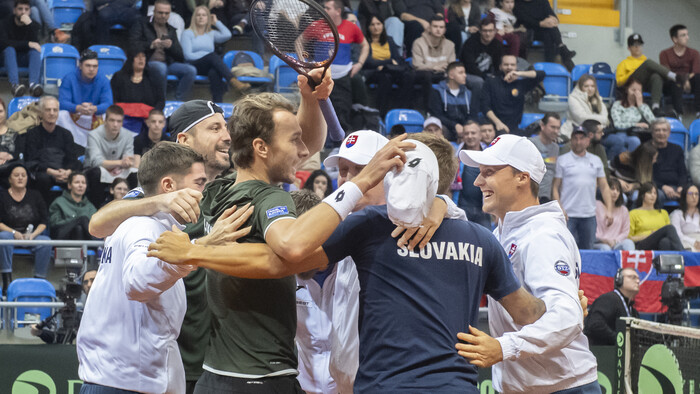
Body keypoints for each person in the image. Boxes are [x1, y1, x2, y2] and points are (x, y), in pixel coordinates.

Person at [147, 132, 546, 393]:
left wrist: (196, 251)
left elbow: (280, 261)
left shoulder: (369, 226)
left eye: (358, 171)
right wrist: (558, 309)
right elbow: (529, 312)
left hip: (380, 385)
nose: (346, 179)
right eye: (344, 171)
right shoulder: (478, 239)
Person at [88, 71, 333, 391]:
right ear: (184, 141)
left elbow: (302, 146)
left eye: (227, 128)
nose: (227, 136)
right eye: (214, 128)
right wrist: (161, 200)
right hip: (176, 355)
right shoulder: (161, 193)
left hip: (224, 358)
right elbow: (98, 224)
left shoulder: (235, 186)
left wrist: (310, 100)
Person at [456, 134, 600, 393]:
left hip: (560, 386)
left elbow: (567, 315)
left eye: (489, 172)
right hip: (529, 384)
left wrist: (503, 347)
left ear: (522, 177)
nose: (478, 181)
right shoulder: (504, 232)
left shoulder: (543, 235)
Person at [77, 142, 213, 394]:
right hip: (125, 381)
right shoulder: (144, 226)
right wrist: (194, 252)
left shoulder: (134, 221)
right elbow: (138, 283)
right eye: (199, 183)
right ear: (169, 186)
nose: (203, 192)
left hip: (119, 376)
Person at [552, 126, 614, 250]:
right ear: (571, 140)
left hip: (589, 215)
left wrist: (609, 209)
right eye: (575, 138)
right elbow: (555, 188)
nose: (578, 141)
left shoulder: (596, 160)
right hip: (568, 214)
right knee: (565, 250)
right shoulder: (562, 160)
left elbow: (604, 186)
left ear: (588, 141)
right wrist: (560, 208)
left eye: (582, 138)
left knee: (588, 251)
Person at [316, 0, 369, 133]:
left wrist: (359, 64)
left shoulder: (351, 27)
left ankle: (340, 145)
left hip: (343, 76)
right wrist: (306, 62)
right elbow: (300, 41)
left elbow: (365, 45)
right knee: (320, 113)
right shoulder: (317, 26)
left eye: (328, 8)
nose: (324, 10)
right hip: (321, 76)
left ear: (338, 11)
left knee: (342, 112)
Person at [0, 162, 51, 296]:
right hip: (10, 234)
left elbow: (44, 221)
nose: (20, 178)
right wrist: (14, 232)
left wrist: (33, 235)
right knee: (4, 238)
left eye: (23, 175)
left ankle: (39, 281)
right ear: (10, 179)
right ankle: (7, 279)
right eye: (16, 175)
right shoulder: (2, 196)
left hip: (31, 235)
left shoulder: (35, 195)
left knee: (45, 242)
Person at [130, 0, 197, 102]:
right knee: (161, 68)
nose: (163, 16)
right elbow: (132, 46)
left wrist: (171, 47)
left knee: (191, 70)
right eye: (160, 13)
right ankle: (162, 101)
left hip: (168, 63)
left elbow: (180, 56)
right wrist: (151, 45)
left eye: (167, 13)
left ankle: (178, 101)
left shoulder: (171, 29)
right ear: (154, 11)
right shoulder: (142, 23)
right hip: (147, 62)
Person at [20, 96, 83, 204]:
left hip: (63, 172)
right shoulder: (32, 134)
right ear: (41, 113)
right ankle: (43, 215)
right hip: (43, 173)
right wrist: (51, 172)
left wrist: (67, 172)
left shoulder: (66, 134)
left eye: (55, 110)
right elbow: (30, 161)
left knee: (80, 180)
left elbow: (72, 159)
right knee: (43, 179)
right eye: (48, 110)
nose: (52, 113)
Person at [182, 6, 249, 102]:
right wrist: (207, 57)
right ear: (194, 18)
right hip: (193, 65)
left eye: (204, 15)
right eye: (198, 15)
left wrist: (216, 22)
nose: (201, 17)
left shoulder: (210, 33)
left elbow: (227, 35)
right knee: (213, 56)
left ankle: (217, 103)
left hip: (208, 65)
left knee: (214, 72)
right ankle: (233, 81)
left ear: (208, 18)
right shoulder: (187, 33)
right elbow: (187, 55)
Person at [616, 33, 683, 117]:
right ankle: (674, 76)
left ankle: (655, 107)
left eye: (639, 44)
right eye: (634, 45)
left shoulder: (646, 61)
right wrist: (633, 72)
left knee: (656, 76)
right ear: (629, 48)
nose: (637, 47)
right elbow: (619, 82)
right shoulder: (624, 63)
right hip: (631, 84)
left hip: (645, 86)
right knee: (648, 63)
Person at [57, 49, 114, 147]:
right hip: (75, 114)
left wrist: (95, 108)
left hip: (95, 115)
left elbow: (108, 103)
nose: (91, 69)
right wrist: (78, 108)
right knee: (60, 115)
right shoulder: (69, 78)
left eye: (95, 66)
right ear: (80, 66)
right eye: (88, 65)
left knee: (110, 115)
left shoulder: (103, 79)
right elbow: (62, 102)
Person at [84, 105, 139, 207]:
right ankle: (96, 208)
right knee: (96, 173)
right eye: (112, 120)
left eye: (119, 121)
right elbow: (96, 162)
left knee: (134, 173)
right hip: (98, 170)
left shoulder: (127, 135)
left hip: (118, 170)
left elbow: (129, 159)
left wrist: (127, 163)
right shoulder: (94, 135)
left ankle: (131, 207)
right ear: (105, 120)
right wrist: (120, 163)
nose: (115, 125)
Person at [363, 15, 415, 117]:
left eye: (378, 24)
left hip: (390, 70)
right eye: (372, 25)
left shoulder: (389, 40)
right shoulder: (365, 42)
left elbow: (398, 59)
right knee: (385, 78)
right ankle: (382, 113)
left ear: (383, 25)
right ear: (368, 27)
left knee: (408, 76)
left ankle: (402, 110)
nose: (376, 27)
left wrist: (386, 64)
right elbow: (369, 62)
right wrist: (388, 62)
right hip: (373, 72)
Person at [30, 266, 97, 344]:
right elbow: (60, 339)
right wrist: (40, 333)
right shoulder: (81, 315)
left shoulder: (112, 306)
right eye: (85, 282)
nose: (89, 285)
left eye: (93, 280)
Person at [482, 54, 545, 136]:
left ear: (516, 67)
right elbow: (485, 106)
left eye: (512, 65)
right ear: (500, 66)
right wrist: (498, 123)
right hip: (497, 127)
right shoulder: (491, 82)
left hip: (515, 128)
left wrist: (519, 73)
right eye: (506, 64)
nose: (509, 67)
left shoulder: (521, 83)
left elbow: (541, 74)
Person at [583, 268, 639, 346]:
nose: (637, 281)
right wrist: (620, 341)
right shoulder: (609, 299)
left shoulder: (633, 311)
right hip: (601, 353)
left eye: (638, 278)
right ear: (619, 280)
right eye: (632, 277)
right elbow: (595, 324)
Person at [513, 0, 576, 70]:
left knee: (549, 32)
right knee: (549, 31)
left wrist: (553, 20)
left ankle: (552, 61)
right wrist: (540, 23)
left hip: (543, 29)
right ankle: (562, 50)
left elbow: (552, 15)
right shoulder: (516, 3)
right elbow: (525, 20)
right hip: (527, 31)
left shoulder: (542, 1)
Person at [0, 0, 43, 97]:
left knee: (35, 51)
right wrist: (27, 44)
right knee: (9, 49)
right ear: (14, 10)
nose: (23, 12)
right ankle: (15, 85)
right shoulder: (4, 23)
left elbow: (36, 44)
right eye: (20, 9)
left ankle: (33, 85)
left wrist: (30, 26)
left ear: (30, 12)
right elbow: (3, 43)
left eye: (26, 9)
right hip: (6, 59)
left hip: (24, 59)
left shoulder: (34, 25)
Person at [412, 15, 456, 110]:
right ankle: (428, 110)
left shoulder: (450, 45)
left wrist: (444, 69)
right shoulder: (418, 43)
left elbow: (452, 65)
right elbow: (417, 65)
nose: (438, 30)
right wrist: (434, 67)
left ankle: (453, 110)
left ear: (444, 30)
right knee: (426, 75)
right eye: (435, 26)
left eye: (441, 27)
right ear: (429, 28)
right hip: (424, 75)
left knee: (456, 76)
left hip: (442, 74)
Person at [456, 121, 491, 228]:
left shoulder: (490, 156)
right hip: (461, 207)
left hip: (484, 209)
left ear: (480, 135)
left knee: (486, 242)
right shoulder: (455, 155)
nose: (470, 136)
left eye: (473, 133)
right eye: (466, 133)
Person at [628, 182, 684, 251]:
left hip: (660, 244)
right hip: (642, 244)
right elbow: (629, 238)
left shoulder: (663, 213)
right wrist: (648, 235)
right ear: (642, 195)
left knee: (665, 242)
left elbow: (670, 236)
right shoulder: (633, 213)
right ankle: (683, 253)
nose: (653, 195)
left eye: (655, 193)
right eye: (650, 193)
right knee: (669, 228)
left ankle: (663, 261)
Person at [660, 24, 700, 119]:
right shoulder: (664, 54)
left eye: (687, 34)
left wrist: (685, 79)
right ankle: (679, 114)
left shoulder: (694, 53)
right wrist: (682, 80)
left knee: (699, 77)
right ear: (675, 39)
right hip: (672, 83)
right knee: (675, 82)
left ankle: (699, 111)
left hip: (690, 82)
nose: (687, 38)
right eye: (683, 35)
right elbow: (667, 72)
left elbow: (696, 71)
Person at [428, 62, 475, 141]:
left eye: (465, 72)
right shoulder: (438, 92)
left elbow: (472, 114)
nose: (465, 75)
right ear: (451, 75)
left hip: (464, 127)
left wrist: (466, 127)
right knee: (440, 130)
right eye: (461, 73)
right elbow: (437, 115)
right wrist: (455, 125)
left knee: (476, 130)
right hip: (447, 127)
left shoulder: (468, 93)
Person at [111, 47, 166, 112]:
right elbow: (114, 101)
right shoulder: (118, 77)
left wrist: (153, 115)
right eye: (137, 56)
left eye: (143, 56)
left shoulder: (154, 77)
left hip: (148, 118)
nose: (141, 59)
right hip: (125, 118)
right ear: (131, 59)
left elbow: (161, 101)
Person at [608, 77, 650, 158]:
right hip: (620, 133)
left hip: (638, 134)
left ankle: (631, 167)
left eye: (639, 91)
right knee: (623, 145)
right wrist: (636, 124)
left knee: (635, 141)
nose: (636, 93)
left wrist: (641, 105)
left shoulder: (644, 107)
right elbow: (617, 124)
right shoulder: (618, 104)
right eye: (633, 90)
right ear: (627, 90)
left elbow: (654, 122)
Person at [49, 172, 97, 240]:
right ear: (69, 185)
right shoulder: (58, 202)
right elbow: (55, 225)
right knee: (82, 219)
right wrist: (75, 220)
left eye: (83, 183)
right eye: (77, 182)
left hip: (85, 238)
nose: (80, 185)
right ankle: (98, 244)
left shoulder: (90, 206)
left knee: (79, 227)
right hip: (62, 236)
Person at [650, 117, 688, 205]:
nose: (661, 133)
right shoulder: (647, 149)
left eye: (664, 130)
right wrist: (663, 187)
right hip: (656, 187)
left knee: (693, 194)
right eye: (657, 130)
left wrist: (681, 187)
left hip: (676, 186)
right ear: (652, 133)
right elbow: (647, 176)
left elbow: (683, 173)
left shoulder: (677, 149)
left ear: (669, 132)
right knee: (657, 195)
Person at [561, 75, 609, 139]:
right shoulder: (573, 98)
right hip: (575, 133)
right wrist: (600, 119)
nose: (590, 89)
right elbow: (582, 118)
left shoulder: (599, 99)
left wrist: (598, 122)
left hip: (596, 134)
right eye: (586, 86)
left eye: (592, 86)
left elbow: (605, 120)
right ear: (580, 87)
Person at [593, 177, 635, 251]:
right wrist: (604, 240)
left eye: (618, 190)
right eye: (612, 188)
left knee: (629, 243)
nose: (615, 192)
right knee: (606, 248)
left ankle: (629, 263)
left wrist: (615, 241)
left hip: (616, 243)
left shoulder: (624, 210)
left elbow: (625, 232)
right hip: (599, 243)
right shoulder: (596, 205)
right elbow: (591, 229)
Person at [459, 16, 504, 81]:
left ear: (495, 31)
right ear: (480, 31)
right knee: (479, 81)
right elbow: (469, 66)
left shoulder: (497, 44)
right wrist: (485, 77)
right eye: (485, 31)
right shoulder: (470, 43)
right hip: (469, 74)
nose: (488, 34)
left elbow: (498, 65)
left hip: (487, 74)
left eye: (490, 31)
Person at [528, 112, 560, 201]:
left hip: (546, 198)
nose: (556, 131)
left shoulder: (556, 148)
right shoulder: (530, 144)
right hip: (530, 197)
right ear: (542, 125)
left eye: (558, 128)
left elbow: (553, 174)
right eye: (553, 127)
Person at [669, 184, 700, 251]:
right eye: (690, 193)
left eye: (696, 194)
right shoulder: (677, 214)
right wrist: (693, 242)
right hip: (686, 242)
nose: (694, 197)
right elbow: (677, 234)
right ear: (684, 196)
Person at [0, 98, 20, 165]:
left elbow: (19, 155)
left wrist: (10, 157)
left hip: (11, 169)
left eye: (0, 111)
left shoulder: (16, 133)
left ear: (5, 112)